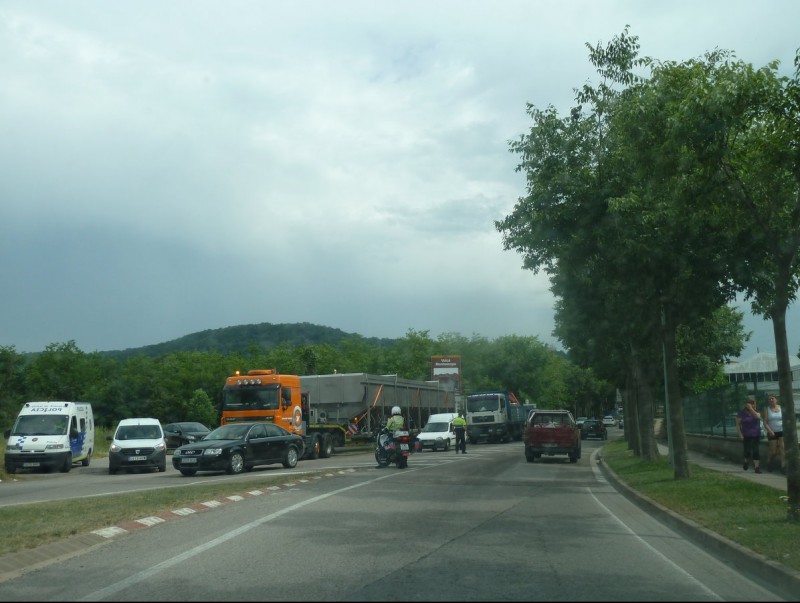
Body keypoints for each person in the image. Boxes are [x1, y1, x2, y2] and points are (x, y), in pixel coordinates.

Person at [735, 397, 763, 473]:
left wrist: (751, 409)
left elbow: (757, 417)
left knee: (756, 451)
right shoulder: (741, 413)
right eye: (750, 403)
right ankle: (746, 462)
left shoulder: (756, 411)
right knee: (747, 451)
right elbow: (737, 425)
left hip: (756, 434)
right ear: (746, 404)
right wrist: (740, 434)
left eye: (753, 403)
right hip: (746, 435)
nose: (752, 405)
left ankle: (757, 467)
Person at [763, 394, 785, 473]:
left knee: (782, 449)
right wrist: (770, 431)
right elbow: (765, 423)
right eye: (769, 399)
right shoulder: (766, 409)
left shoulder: (781, 407)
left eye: (772, 399)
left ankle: (783, 467)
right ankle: (769, 462)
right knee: (773, 451)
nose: (771, 400)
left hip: (781, 431)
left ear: (776, 400)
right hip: (772, 432)